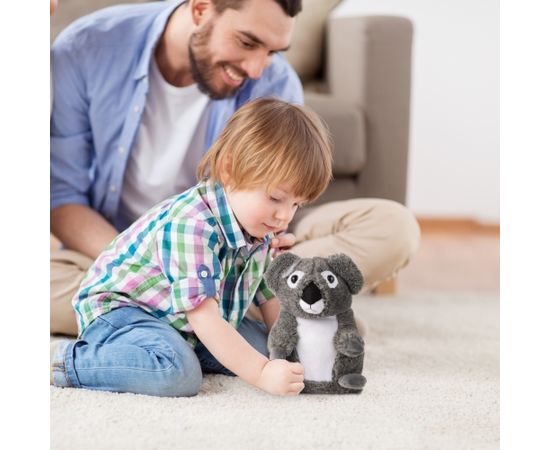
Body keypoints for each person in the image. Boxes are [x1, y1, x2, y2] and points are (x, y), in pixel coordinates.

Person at [50, 0, 421, 336]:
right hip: (121, 251)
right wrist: (153, 264)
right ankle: (277, 308)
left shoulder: (275, 82)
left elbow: (278, 205)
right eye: (247, 43)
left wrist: (274, 245)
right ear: (200, 9)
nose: (257, 68)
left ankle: (197, 313)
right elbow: (63, 198)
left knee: (393, 228)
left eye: (273, 51)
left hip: (236, 255)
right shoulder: (87, 49)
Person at [51, 98, 333, 397]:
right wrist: (262, 373)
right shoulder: (193, 225)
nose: (284, 216)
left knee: (269, 346)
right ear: (229, 170)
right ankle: (62, 360)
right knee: (177, 374)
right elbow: (204, 317)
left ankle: (183, 349)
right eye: (276, 198)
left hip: (179, 321)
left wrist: (290, 350)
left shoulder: (261, 224)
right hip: (123, 312)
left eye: (296, 204)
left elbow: (269, 298)